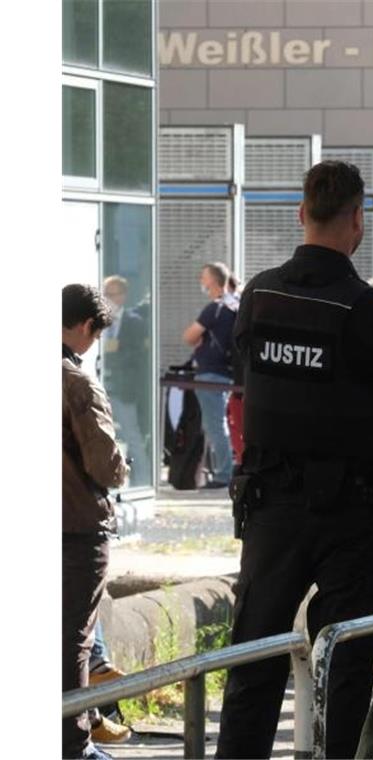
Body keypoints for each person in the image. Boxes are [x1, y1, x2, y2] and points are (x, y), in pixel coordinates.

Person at [216, 161, 373, 759]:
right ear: (358, 220)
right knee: (346, 664)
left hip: (271, 507)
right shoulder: (369, 311)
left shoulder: (258, 294)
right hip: (351, 514)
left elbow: (251, 376)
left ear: (300, 214)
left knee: (253, 658)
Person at [63, 284, 130, 760]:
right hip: (76, 526)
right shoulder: (76, 382)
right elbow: (105, 465)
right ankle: (74, 742)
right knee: (73, 639)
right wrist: (123, 465)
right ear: (86, 326)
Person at [182, 262, 238, 487]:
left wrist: (199, 339)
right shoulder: (235, 306)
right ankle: (219, 470)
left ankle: (224, 474)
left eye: (203, 277)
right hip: (226, 372)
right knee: (217, 423)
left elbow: (189, 336)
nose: (201, 281)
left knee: (216, 424)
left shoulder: (214, 308)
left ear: (214, 281)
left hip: (210, 373)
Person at [100, 275, 150, 488]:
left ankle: (142, 480)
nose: (109, 298)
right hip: (102, 384)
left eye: (113, 294)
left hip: (124, 387)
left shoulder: (134, 322)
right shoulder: (99, 320)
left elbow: (139, 356)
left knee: (131, 434)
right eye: (106, 294)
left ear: (123, 296)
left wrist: (116, 351)